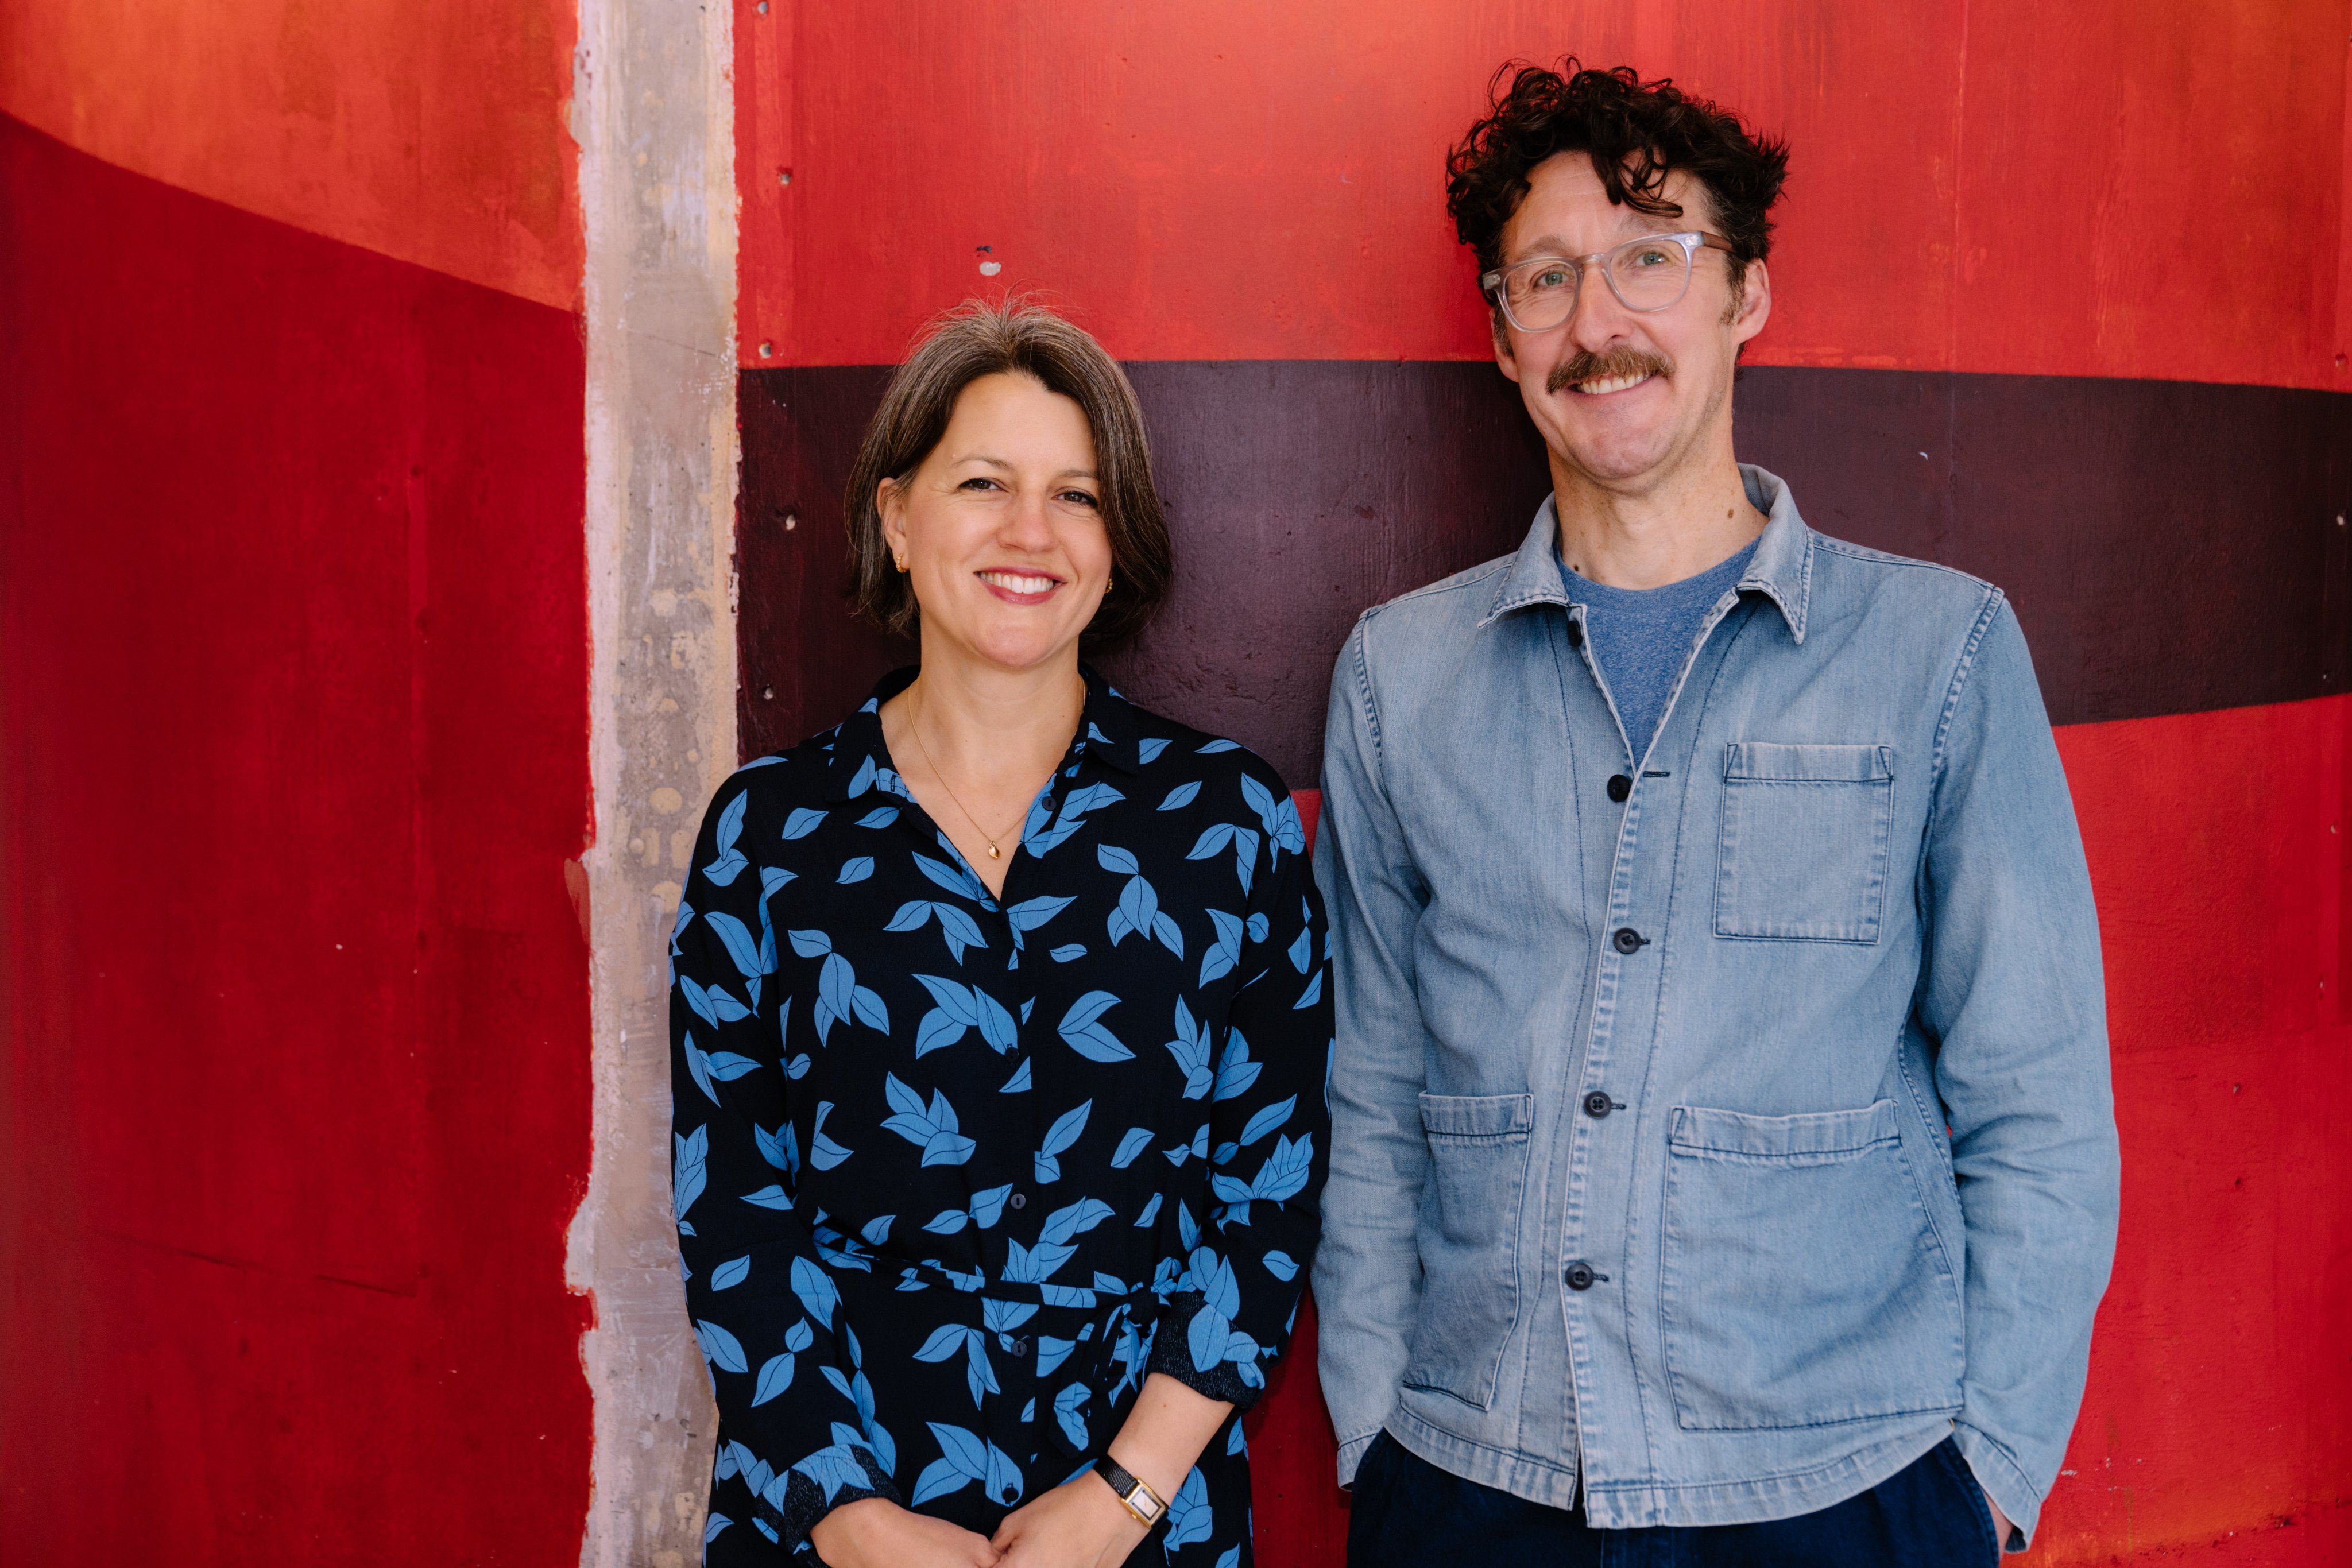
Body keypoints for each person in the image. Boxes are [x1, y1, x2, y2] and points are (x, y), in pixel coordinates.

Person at [1312, 61, 2119, 1566]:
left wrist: (1989, 1470)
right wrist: (1373, 1426)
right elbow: (1376, 1081)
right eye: (1547, 277)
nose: (1596, 320)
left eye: (1650, 257)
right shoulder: (1400, 676)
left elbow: (2039, 1093)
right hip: (1470, 1481)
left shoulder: (1935, 653)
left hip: (1847, 1491)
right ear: (1500, 334)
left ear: (1746, 292)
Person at [670, 300, 1330, 1568]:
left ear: (1115, 541)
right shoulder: (771, 835)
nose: (1031, 531)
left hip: (1140, 1520)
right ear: (896, 517)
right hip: (831, 1510)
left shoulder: (1221, 822)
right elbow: (735, 1211)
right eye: (983, 482)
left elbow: (1266, 1194)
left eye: (1076, 495)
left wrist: (1122, 1500)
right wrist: (852, 1523)